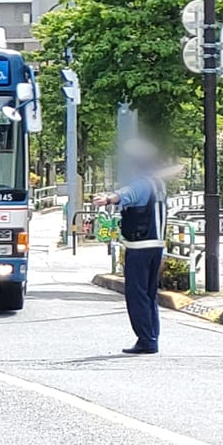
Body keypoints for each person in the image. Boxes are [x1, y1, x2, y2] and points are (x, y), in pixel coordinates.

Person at [92, 138, 168, 355]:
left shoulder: (142, 184)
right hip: (157, 245)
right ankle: (152, 336)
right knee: (149, 293)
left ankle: (146, 339)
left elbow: (125, 195)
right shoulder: (159, 184)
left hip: (139, 246)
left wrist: (107, 199)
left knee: (136, 293)